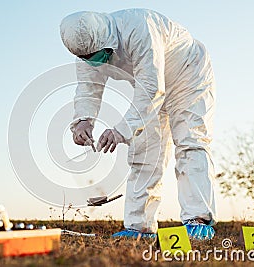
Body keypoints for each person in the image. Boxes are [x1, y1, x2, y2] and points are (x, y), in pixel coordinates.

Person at [60, 8, 216, 240]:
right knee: (143, 150)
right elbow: (88, 89)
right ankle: (139, 227)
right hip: (148, 89)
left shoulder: (139, 28)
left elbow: (152, 89)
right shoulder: (85, 52)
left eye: (98, 56)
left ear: (108, 40)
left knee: (189, 141)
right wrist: (82, 121)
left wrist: (120, 131)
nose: (95, 62)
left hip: (187, 74)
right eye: (88, 59)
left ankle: (198, 220)